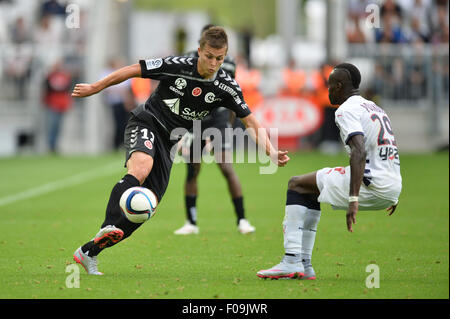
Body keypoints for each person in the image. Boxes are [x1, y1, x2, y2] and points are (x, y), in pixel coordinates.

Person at [71, 26, 289, 275]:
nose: (213, 63)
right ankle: (108, 225)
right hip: (147, 121)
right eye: (208, 56)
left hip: (170, 143)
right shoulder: (177, 65)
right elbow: (134, 69)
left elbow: (249, 120)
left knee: (145, 208)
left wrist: (270, 151)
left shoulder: (226, 86)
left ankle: (88, 252)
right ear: (199, 51)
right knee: (141, 168)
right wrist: (96, 87)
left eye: (219, 58)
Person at [257, 63, 402, 280]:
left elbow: (359, 151)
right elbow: (386, 149)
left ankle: (292, 260)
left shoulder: (345, 110)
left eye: (330, 86)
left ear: (340, 85)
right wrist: (390, 188)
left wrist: (354, 198)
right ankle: (304, 266)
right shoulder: (374, 108)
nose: (328, 90)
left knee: (295, 184)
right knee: (309, 189)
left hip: (370, 183)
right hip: (392, 185)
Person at [174, 24, 256, 235]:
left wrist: (228, 123)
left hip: (218, 117)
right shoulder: (188, 59)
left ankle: (242, 220)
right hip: (194, 119)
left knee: (225, 166)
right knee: (192, 170)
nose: (214, 60)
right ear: (202, 45)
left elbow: (231, 95)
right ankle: (191, 222)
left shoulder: (228, 63)